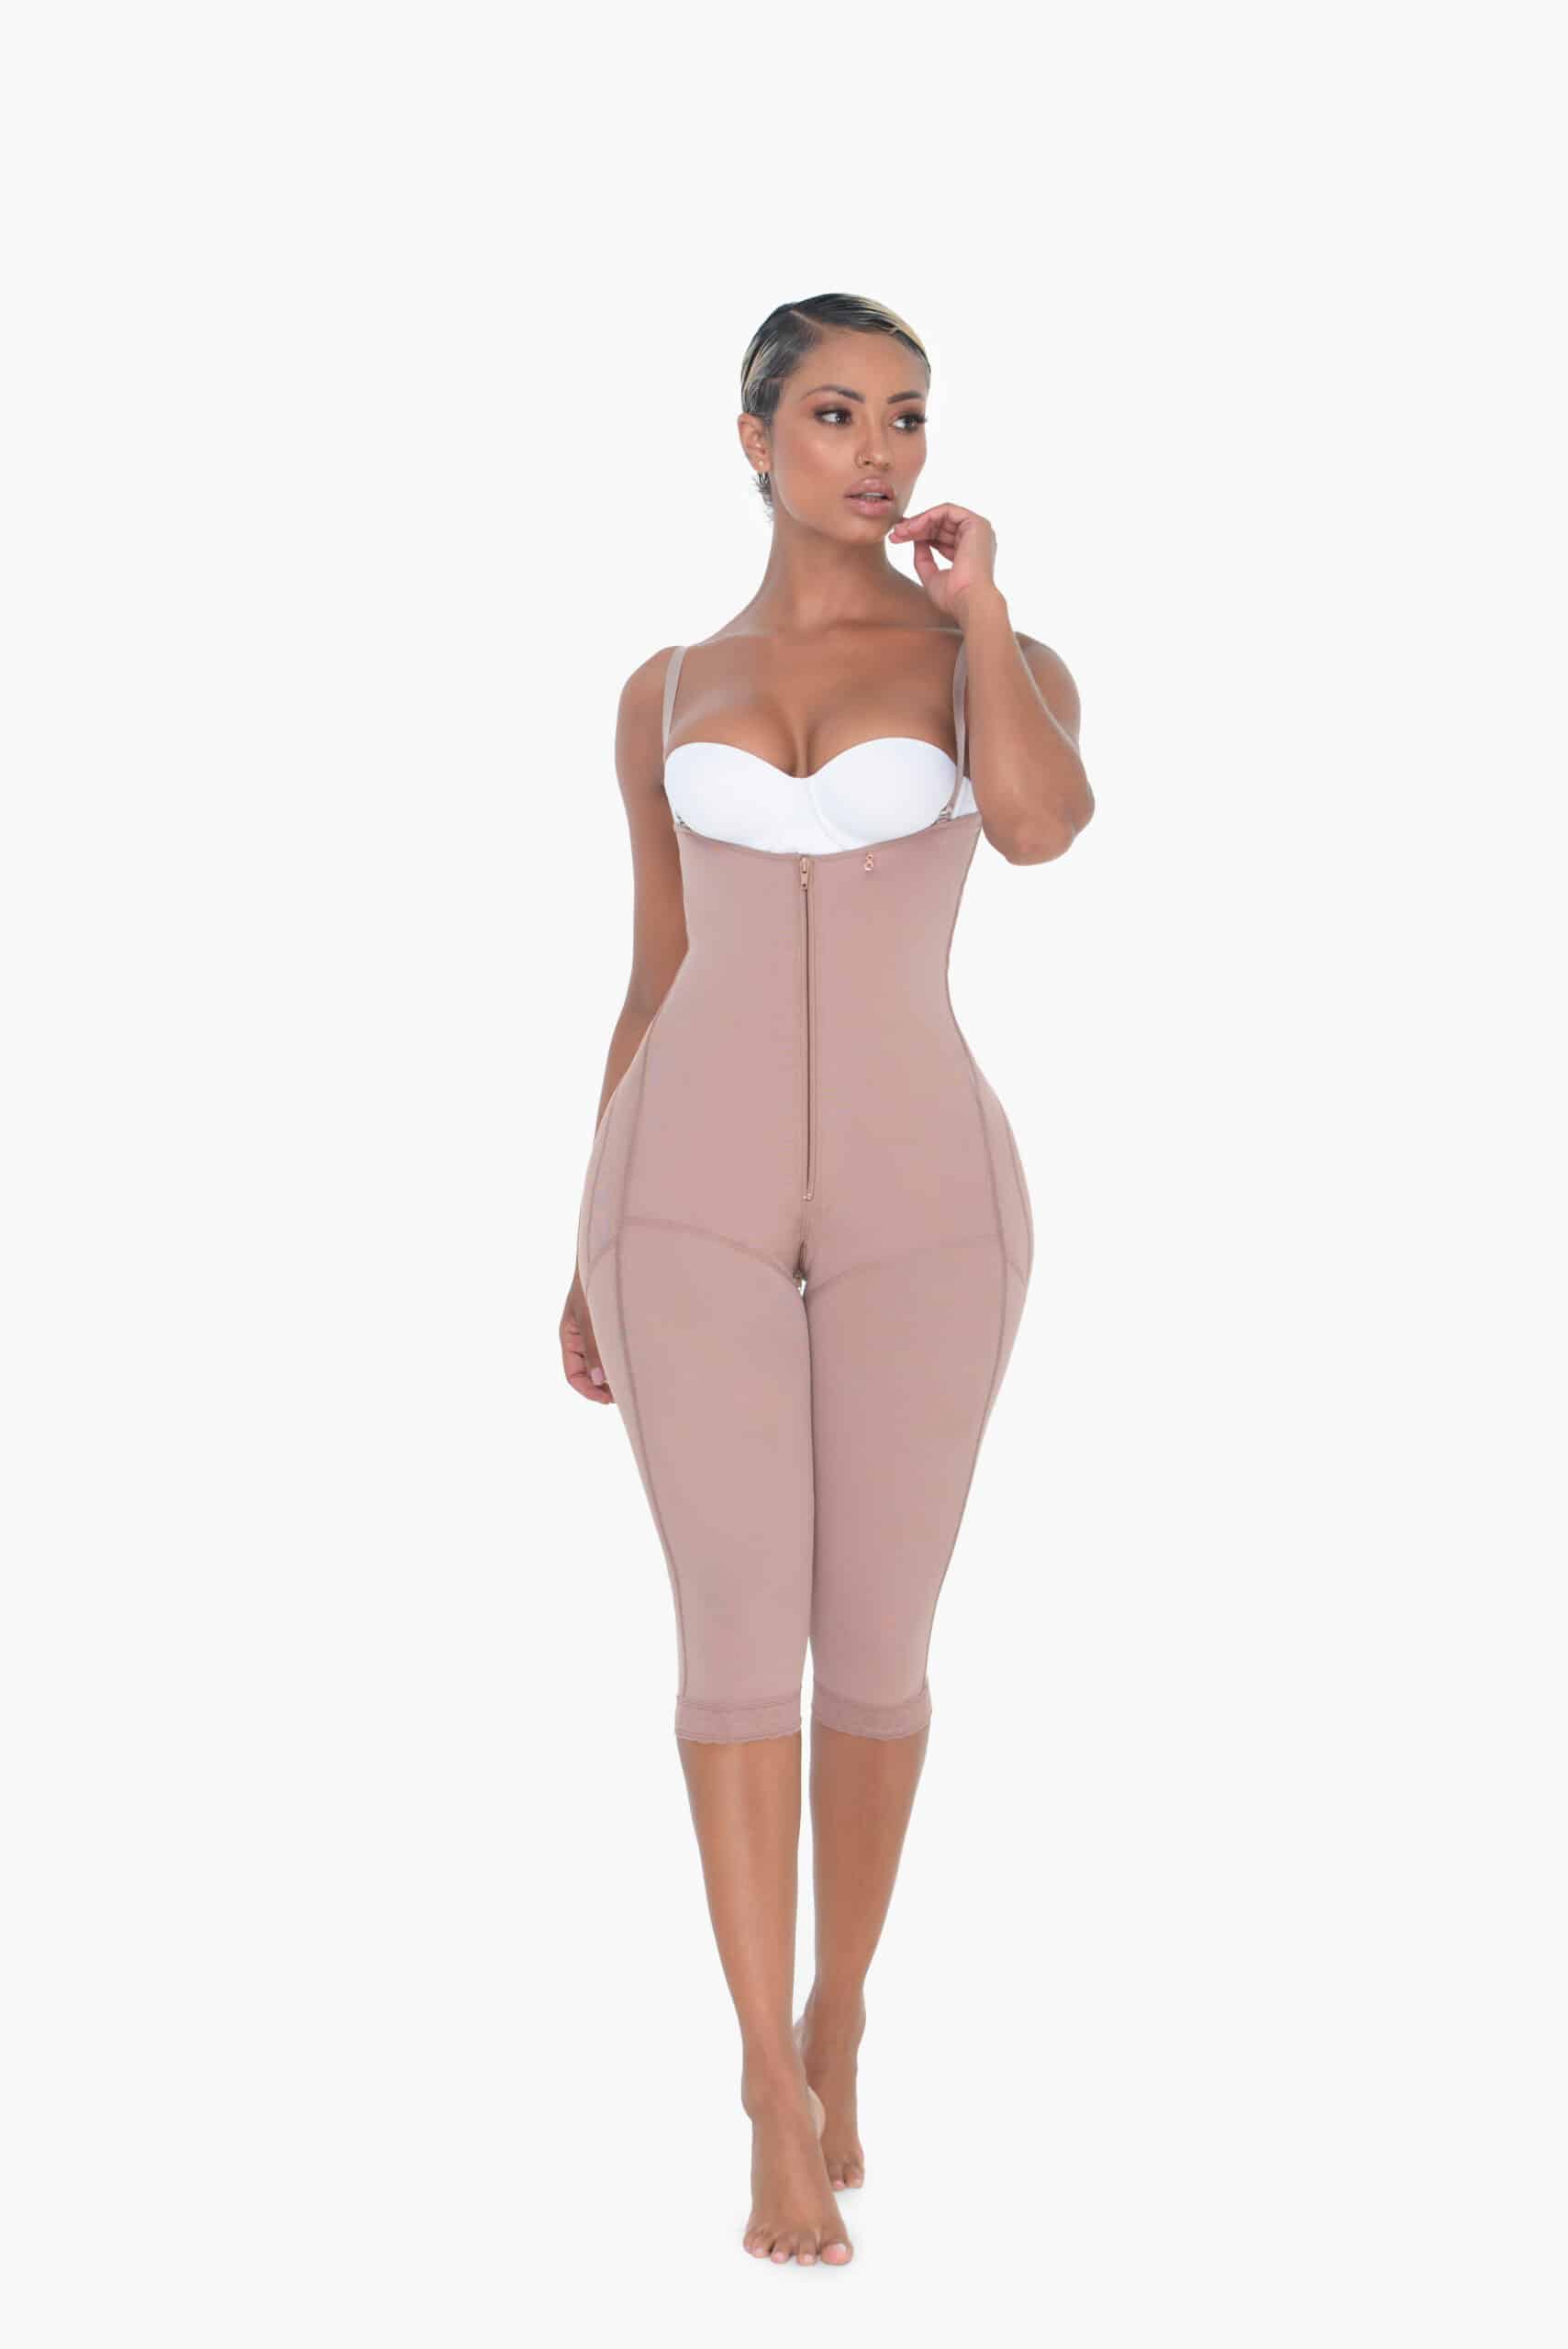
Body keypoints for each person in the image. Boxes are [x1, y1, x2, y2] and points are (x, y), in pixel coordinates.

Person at [559, 292, 1093, 2267]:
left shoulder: (988, 661)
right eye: (838, 413)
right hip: (676, 1197)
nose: (879, 451)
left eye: (909, 416)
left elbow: (1037, 827)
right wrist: (581, 1234)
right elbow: (654, 964)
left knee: (874, 1643)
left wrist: (981, 613)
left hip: (923, 1202)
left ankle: (840, 2006)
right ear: (754, 437)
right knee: (731, 1640)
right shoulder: (665, 686)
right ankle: (766, 2092)